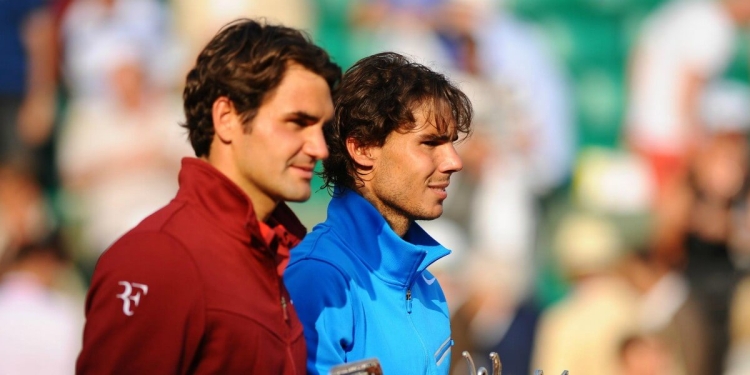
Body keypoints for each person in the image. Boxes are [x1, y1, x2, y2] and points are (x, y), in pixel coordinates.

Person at [76, 19, 341, 374]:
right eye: (297, 122)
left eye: (321, 128)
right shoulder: (157, 258)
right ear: (227, 117)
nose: (320, 148)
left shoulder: (273, 251)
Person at [284, 52, 473, 375]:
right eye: (430, 143)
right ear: (363, 149)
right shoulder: (316, 278)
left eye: (452, 143)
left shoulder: (429, 287)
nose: (453, 161)